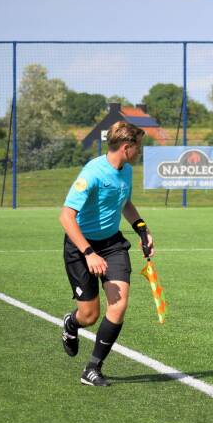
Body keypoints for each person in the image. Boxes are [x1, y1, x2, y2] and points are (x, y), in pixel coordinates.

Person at [59, 121, 154, 386]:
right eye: (138, 146)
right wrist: (89, 253)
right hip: (81, 247)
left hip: (112, 245)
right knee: (89, 316)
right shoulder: (92, 173)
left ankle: (92, 368)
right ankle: (71, 324)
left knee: (119, 304)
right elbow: (66, 217)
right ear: (126, 147)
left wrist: (142, 229)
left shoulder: (127, 171)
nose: (140, 151)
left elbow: (124, 203)